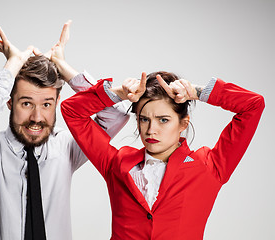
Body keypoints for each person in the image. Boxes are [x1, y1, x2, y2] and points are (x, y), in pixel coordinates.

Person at [0, 21, 129, 240]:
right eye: (26, 103)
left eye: (46, 104)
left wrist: (63, 68)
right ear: (9, 102)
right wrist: (14, 64)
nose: (37, 118)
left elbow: (116, 113)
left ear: (57, 102)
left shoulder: (66, 147)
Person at [61, 70, 265, 239]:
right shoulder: (117, 163)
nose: (151, 130)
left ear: (183, 123)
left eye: (163, 120)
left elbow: (253, 105)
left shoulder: (209, 166)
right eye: (143, 119)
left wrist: (196, 92)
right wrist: (120, 94)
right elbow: (72, 111)